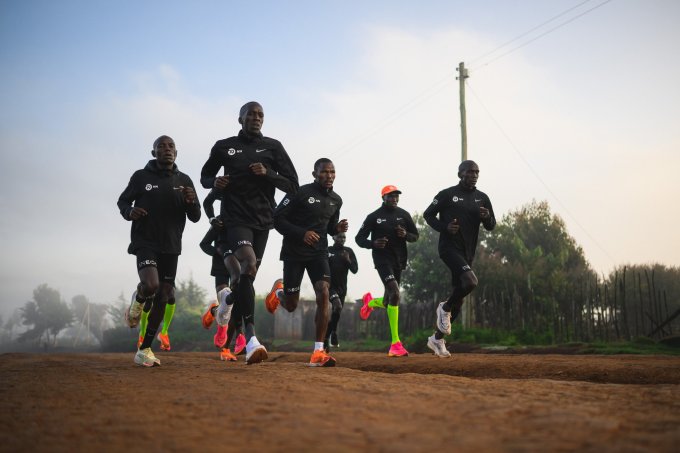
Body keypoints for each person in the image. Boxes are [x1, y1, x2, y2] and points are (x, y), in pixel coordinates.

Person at [201, 101, 299, 365]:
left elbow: (293, 185)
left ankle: (227, 303)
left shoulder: (273, 147)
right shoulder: (224, 146)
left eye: (260, 115)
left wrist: (268, 174)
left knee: (247, 277)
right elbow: (205, 176)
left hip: (263, 221)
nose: (256, 118)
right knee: (249, 262)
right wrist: (215, 182)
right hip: (234, 219)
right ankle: (251, 338)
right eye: (251, 114)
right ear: (240, 118)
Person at [117, 135, 201, 367]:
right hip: (145, 241)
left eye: (171, 146)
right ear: (153, 153)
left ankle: (145, 350)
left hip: (171, 245)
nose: (167, 149)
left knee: (164, 295)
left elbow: (195, 217)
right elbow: (123, 201)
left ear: (176, 152)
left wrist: (191, 201)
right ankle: (141, 297)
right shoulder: (141, 177)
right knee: (152, 286)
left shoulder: (184, 180)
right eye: (161, 146)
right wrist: (129, 212)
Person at [265, 158, 348, 367]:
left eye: (332, 172)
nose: (329, 176)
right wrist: (301, 233)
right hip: (294, 252)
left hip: (319, 253)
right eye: (324, 172)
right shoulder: (299, 192)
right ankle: (278, 293)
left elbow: (329, 227)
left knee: (324, 292)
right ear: (314, 174)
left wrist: (336, 229)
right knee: (292, 305)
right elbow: (277, 219)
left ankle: (318, 351)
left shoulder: (336, 200)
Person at [423, 160, 496, 357]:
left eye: (477, 172)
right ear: (460, 174)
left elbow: (491, 225)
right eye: (469, 172)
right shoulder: (447, 194)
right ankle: (444, 307)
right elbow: (427, 215)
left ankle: (436, 339)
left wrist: (487, 217)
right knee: (471, 282)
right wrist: (444, 227)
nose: (473, 175)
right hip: (448, 248)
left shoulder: (482, 198)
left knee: (460, 298)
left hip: (467, 252)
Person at [355, 185, 418, 357]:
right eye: (390, 196)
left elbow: (415, 236)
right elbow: (359, 239)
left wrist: (405, 234)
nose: (394, 199)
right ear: (383, 197)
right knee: (395, 293)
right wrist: (373, 244)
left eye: (396, 196)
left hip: (399, 260)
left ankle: (369, 303)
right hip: (382, 260)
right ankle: (395, 344)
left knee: (388, 299)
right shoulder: (374, 217)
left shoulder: (404, 215)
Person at [199, 189, 246, 362]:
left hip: (241, 262)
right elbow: (203, 244)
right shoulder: (220, 222)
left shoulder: (245, 221)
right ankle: (228, 343)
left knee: (238, 299)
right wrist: (219, 253)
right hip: (221, 263)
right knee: (227, 297)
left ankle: (216, 314)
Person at [323, 232, 358, 351]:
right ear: (333, 237)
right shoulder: (328, 250)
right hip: (330, 286)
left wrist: (347, 260)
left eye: (344, 237)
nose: (342, 239)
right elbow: (321, 266)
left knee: (336, 313)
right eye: (339, 236)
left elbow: (355, 270)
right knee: (337, 306)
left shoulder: (348, 251)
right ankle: (331, 334)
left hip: (342, 288)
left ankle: (328, 336)